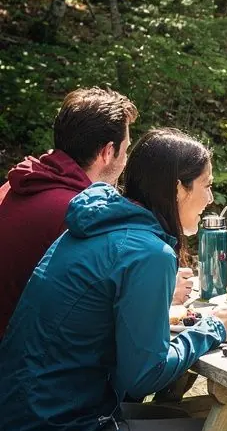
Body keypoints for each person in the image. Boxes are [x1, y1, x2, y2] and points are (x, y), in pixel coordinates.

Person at [0, 128, 227, 431]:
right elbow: (143, 375)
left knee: (211, 423)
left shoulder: (96, 225)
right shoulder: (148, 252)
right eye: (206, 185)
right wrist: (214, 328)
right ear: (178, 188)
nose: (210, 198)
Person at [0, 87, 139, 338]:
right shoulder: (80, 214)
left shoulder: (14, 186)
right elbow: (101, 313)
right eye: (126, 149)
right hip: (23, 364)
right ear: (108, 152)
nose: (126, 160)